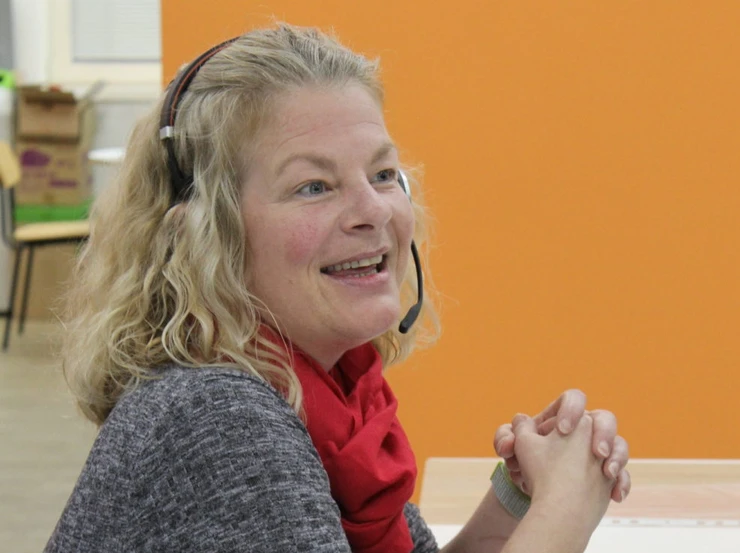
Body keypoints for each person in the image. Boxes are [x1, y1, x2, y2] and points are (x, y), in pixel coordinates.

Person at [46, 24, 630, 553]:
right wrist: (565, 513)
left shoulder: (335, 400)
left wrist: (519, 500)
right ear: (206, 236)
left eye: (382, 175)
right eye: (313, 187)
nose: (372, 210)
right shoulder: (219, 420)